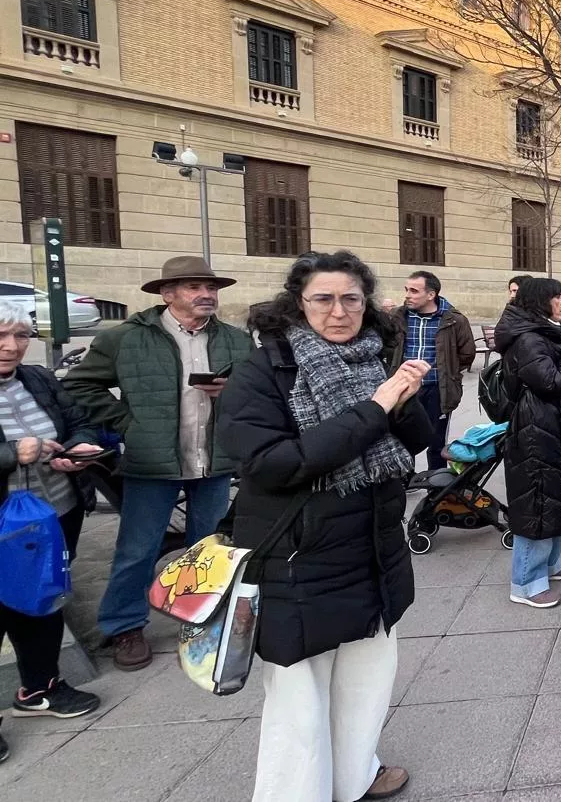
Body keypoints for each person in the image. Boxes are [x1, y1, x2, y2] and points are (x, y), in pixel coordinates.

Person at [220, 250, 437, 802]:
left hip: (372, 548)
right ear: (298, 303)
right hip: (300, 558)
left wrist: (405, 400)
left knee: (366, 682)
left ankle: (355, 774)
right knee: (300, 697)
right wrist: (375, 407)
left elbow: (413, 442)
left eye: (351, 299)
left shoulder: (373, 358)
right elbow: (273, 464)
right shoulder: (265, 369)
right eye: (323, 299)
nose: (338, 311)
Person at [62, 255, 253, 671]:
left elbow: (257, 392)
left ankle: (204, 617)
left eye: (212, 288)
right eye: (194, 288)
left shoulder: (236, 340)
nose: (206, 295)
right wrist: (127, 422)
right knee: (138, 548)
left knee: (210, 549)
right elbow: (79, 384)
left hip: (215, 459)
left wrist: (232, 395)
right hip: (153, 462)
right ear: (167, 294)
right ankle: (125, 625)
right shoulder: (128, 338)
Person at [0, 302, 104, 757]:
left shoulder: (37, 377)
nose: (12, 347)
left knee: (43, 600)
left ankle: (39, 689)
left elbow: (76, 418)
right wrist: (10, 454)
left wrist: (80, 445)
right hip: (4, 526)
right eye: (2, 336)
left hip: (54, 512)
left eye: (21, 336)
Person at [496, 278, 561, 608]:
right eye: (558, 297)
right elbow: (554, 381)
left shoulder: (543, 331)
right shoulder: (529, 339)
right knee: (537, 501)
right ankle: (526, 583)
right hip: (534, 430)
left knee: (557, 494)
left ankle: (551, 564)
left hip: (550, 425)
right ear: (541, 301)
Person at [399, 271, 475, 470]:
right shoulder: (398, 317)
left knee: (436, 440)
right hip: (404, 389)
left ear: (431, 294)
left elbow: (466, 353)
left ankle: (436, 483)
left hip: (437, 389)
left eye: (414, 291)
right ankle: (406, 480)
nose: (407, 295)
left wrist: (447, 372)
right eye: (407, 290)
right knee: (403, 438)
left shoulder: (454, 320)